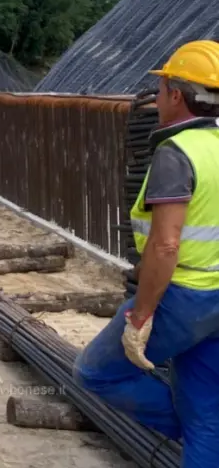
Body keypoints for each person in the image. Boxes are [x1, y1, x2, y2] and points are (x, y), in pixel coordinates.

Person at [74, 40, 219, 466]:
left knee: (95, 372)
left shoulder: (177, 153)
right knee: (206, 411)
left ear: (177, 94)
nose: (156, 100)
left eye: (160, 91)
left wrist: (141, 315)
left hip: (182, 297)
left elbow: (166, 244)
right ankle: (202, 429)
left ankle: (188, 424)